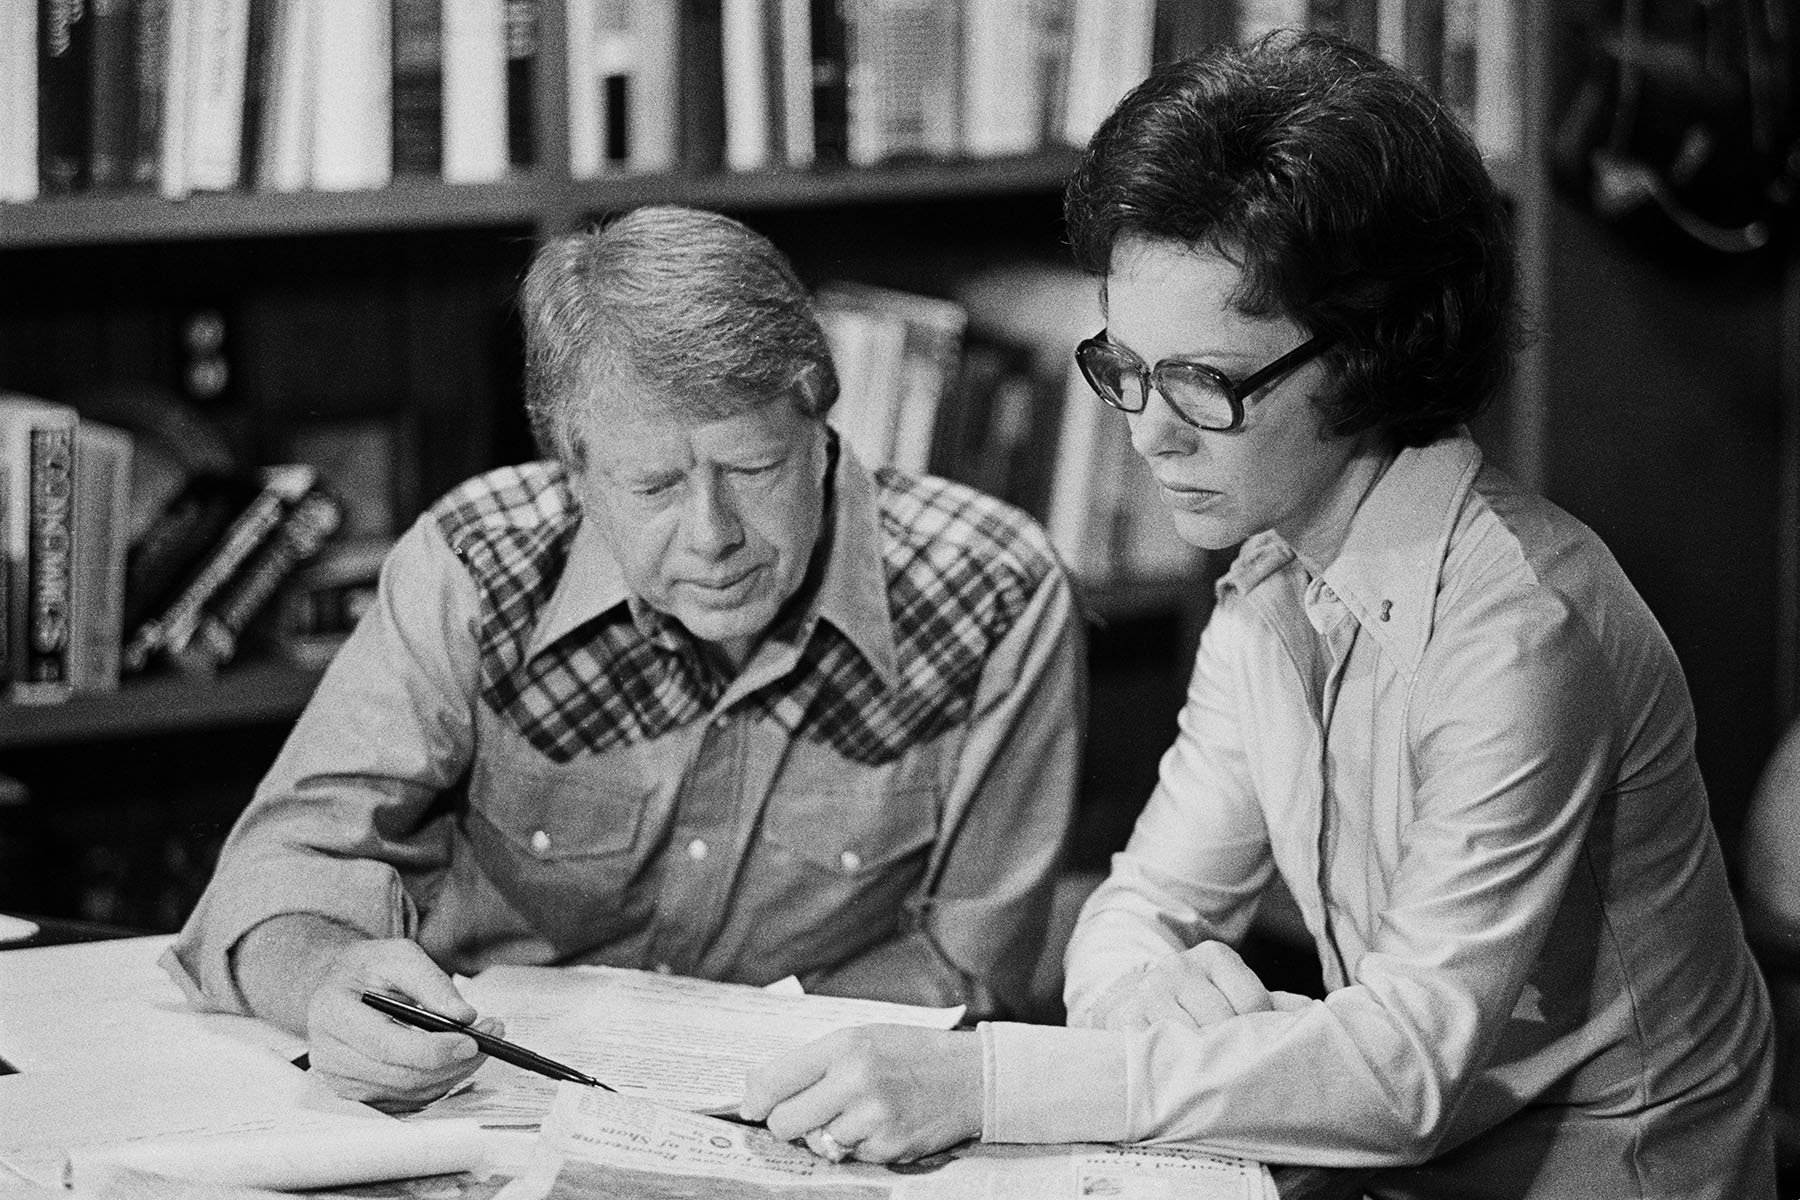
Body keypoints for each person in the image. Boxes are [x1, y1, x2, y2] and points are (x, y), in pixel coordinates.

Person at [741, 33, 1776, 1198]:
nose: (1147, 431)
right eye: (1123, 367)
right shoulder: (1271, 577)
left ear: (1372, 356)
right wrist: (1153, 999)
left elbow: (1401, 1074)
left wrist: (988, 1082)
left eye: (1205, 383)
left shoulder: (1520, 635)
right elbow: (1141, 908)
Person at [164, 205, 1084, 1111]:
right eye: (653, 485)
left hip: (805, 1118)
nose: (712, 535)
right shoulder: (478, 564)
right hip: (484, 1112)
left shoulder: (994, 592)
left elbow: (971, 966)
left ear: (821, 428)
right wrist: (329, 983)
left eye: (754, 470)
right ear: (573, 470)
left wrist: (721, 1075)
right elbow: (276, 872)